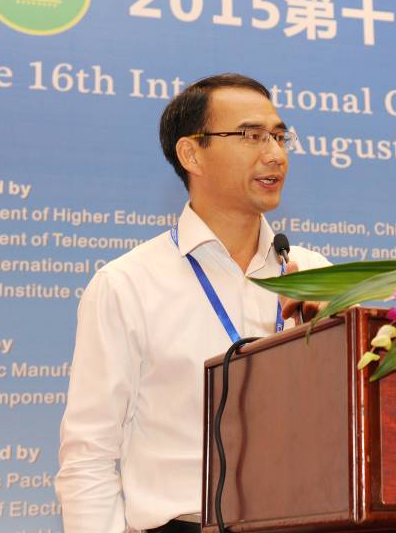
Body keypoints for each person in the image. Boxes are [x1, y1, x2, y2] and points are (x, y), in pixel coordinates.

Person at [55, 73, 328, 533]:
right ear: (191, 154)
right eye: (251, 135)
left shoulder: (313, 275)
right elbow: (89, 456)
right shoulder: (127, 284)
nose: (275, 154)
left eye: (279, 136)